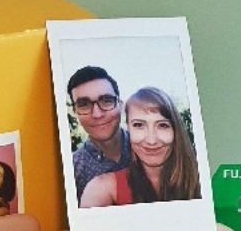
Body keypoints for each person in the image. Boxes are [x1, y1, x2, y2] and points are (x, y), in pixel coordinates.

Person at [79, 87, 200, 207]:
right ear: (128, 128)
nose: (151, 140)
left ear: (175, 130)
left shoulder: (202, 179)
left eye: (162, 125)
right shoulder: (101, 189)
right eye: (139, 125)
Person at [67, 66, 132, 201]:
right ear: (75, 112)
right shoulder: (72, 171)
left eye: (106, 100)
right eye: (84, 104)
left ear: (120, 105)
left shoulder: (151, 148)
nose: (97, 114)